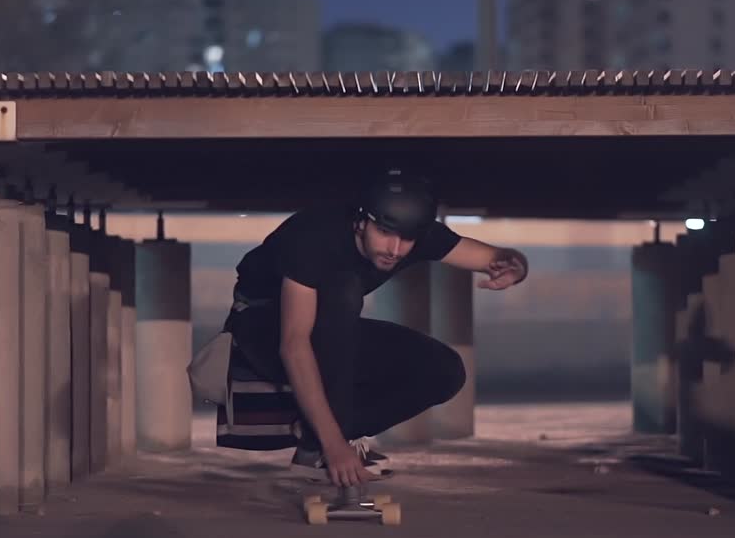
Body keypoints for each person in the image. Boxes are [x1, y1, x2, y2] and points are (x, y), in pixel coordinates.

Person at [222, 168, 529, 487]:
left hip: (332, 327)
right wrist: (334, 443)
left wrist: (517, 267)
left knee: (445, 371)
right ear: (361, 222)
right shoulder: (314, 236)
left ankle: (313, 439)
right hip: (260, 328)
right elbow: (294, 343)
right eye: (384, 232)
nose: (394, 249)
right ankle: (324, 444)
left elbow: (496, 257)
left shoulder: (415, 236)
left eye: (407, 239)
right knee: (343, 288)